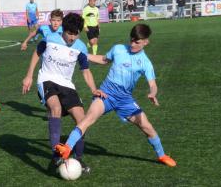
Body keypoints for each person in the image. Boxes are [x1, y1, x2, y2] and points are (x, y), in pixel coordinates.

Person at [55, 24, 177, 168]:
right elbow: (103, 59)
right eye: (131, 40)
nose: (132, 44)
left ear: (146, 42)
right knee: (88, 118)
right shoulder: (119, 49)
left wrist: (153, 93)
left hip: (125, 100)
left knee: (147, 127)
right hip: (106, 93)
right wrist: (83, 55)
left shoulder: (146, 63)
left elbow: (153, 84)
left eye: (137, 42)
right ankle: (67, 147)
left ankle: (162, 155)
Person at [22, 13, 106, 172]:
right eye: (70, 33)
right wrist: (29, 76)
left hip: (67, 84)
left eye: (76, 34)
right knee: (56, 108)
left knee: (82, 119)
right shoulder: (50, 39)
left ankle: (79, 159)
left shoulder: (80, 47)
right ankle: (56, 157)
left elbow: (86, 71)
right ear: (63, 30)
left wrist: (94, 89)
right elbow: (37, 53)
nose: (72, 37)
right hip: (46, 79)